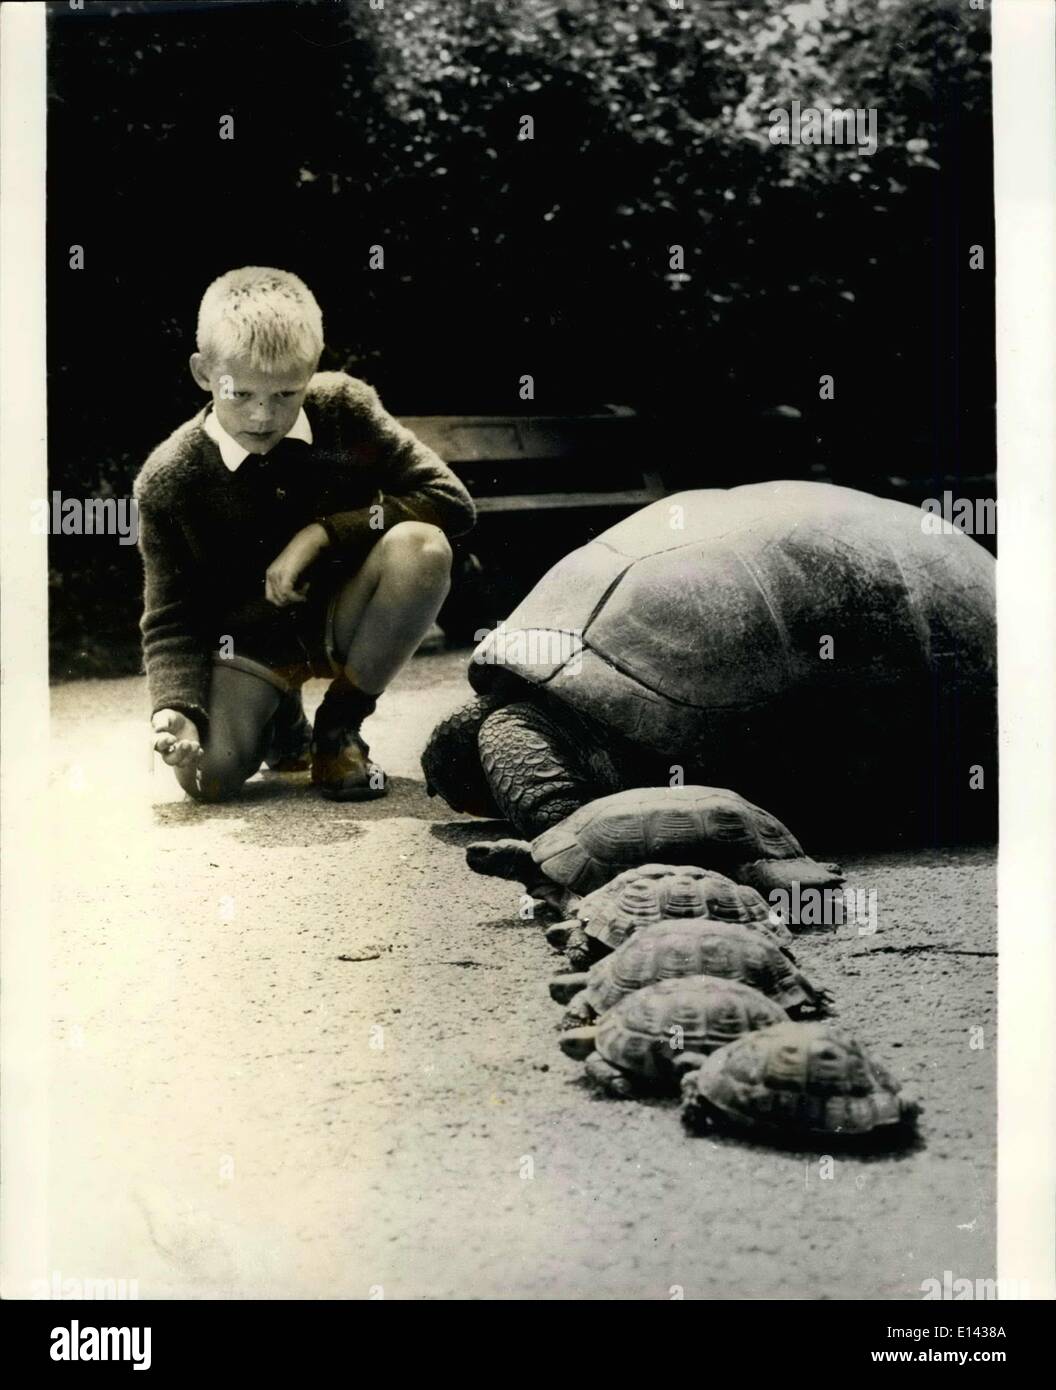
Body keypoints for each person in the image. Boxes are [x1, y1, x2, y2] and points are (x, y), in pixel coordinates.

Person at [135, 266, 475, 802]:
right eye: (241, 393)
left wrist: (323, 533)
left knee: (423, 547)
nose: (263, 415)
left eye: (287, 393)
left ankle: (340, 728)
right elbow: (171, 617)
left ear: (312, 371)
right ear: (204, 373)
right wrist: (176, 708)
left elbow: (451, 502)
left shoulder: (345, 408)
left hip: (345, 611)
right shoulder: (169, 479)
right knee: (208, 777)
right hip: (251, 641)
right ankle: (282, 720)